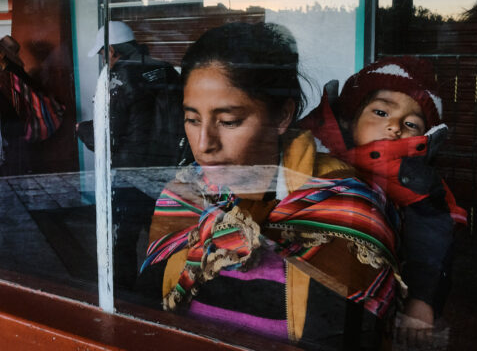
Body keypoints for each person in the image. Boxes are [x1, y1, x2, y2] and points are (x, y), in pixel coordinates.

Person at [137, 23, 400, 348]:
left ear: (281, 117)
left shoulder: (340, 208)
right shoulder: (185, 197)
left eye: (229, 121)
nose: (204, 144)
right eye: (192, 119)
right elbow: (149, 317)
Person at [299, 56, 467, 347]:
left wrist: (421, 299)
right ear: (351, 119)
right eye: (380, 112)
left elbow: (431, 247)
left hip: (376, 307)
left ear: (426, 137)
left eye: (411, 123)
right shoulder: (310, 154)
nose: (394, 127)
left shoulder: (416, 181)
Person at [77, 21, 184, 168]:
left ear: (111, 51)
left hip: (133, 166)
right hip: (169, 160)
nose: (104, 61)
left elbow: (108, 136)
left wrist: (82, 129)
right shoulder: (166, 69)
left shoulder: (119, 80)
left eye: (103, 55)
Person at [0, 33, 63, 176]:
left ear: (2, 54)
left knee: (14, 169)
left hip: (14, 131)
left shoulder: (8, 76)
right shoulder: (13, 73)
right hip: (15, 131)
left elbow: (8, 107)